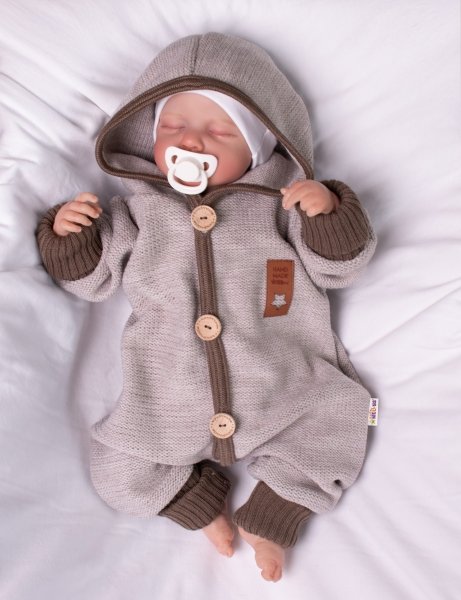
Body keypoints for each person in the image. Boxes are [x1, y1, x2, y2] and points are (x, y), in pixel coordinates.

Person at [36, 32, 376, 582]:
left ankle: (272, 516)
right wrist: (69, 236)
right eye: (172, 126)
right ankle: (198, 502)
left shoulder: (282, 206)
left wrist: (328, 213)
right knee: (117, 471)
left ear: (259, 149)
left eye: (219, 131)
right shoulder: (138, 213)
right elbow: (90, 281)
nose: (190, 141)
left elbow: (340, 267)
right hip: (169, 397)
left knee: (339, 422)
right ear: (150, 136)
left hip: (282, 381)